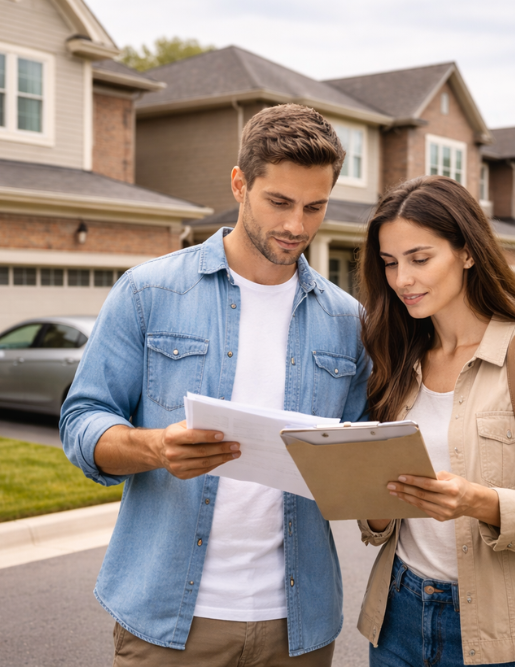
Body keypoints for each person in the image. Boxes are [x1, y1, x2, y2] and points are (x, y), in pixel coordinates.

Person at [60, 103, 369, 666]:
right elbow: (82, 422)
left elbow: (357, 457)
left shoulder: (347, 320)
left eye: (314, 206)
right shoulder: (147, 292)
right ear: (239, 183)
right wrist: (155, 447)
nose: (297, 225)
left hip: (297, 624)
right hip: (169, 620)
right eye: (279, 202)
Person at [355, 175, 515, 667]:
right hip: (396, 618)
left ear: (467, 253)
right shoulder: (398, 359)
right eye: (390, 263)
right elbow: (380, 522)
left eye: (420, 259)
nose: (402, 279)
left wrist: (478, 502)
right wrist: (372, 501)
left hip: (501, 629)